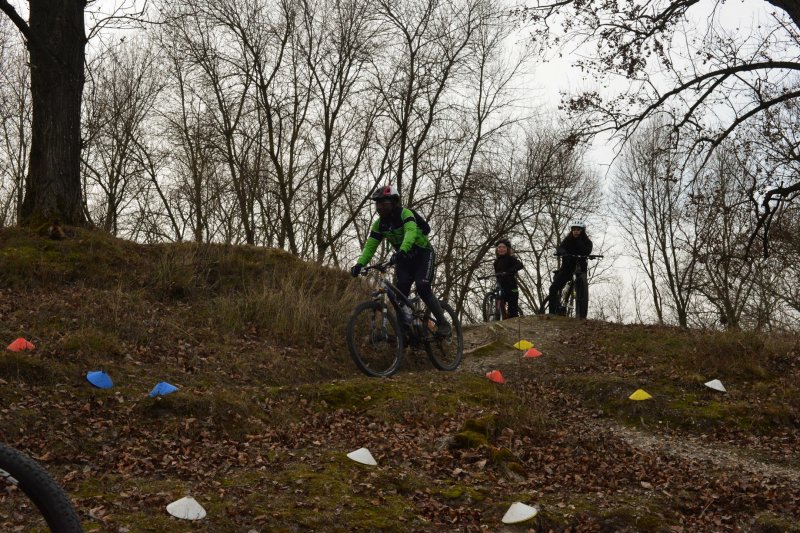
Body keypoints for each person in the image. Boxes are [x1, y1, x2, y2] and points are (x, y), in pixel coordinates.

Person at [350, 185, 451, 336]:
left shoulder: (405, 213)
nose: (379, 207)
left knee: (422, 286)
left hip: (422, 254)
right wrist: (360, 264)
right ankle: (404, 331)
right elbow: (370, 247)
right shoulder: (379, 225)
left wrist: (402, 250)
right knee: (399, 296)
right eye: (377, 204)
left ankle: (443, 323)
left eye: (383, 203)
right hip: (404, 259)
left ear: (394, 202)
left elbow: (410, 232)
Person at [548, 220, 593, 319]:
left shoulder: (587, 241)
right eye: (574, 229)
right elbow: (560, 248)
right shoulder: (568, 240)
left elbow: (587, 250)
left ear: (582, 231)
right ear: (571, 230)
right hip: (567, 268)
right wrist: (563, 253)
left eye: (578, 230)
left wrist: (578, 241)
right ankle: (551, 313)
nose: (576, 231)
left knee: (582, 290)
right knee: (553, 288)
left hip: (580, 269)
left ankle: (581, 314)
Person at [493, 239, 524, 318]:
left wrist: (509, 271)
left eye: (503, 247)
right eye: (499, 247)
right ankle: (499, 316)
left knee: (513, 310)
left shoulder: (510, 258)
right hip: (502, 286)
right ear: (497, 249)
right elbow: (497, 274)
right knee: (498, 300)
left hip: (511, 286)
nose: (501, 249)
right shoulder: (496, 262)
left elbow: (520, 265)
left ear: (507, 249)